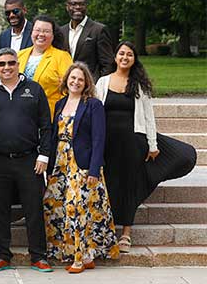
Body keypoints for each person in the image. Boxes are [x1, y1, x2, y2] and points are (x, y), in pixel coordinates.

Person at [96, 41, 196, 254]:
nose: (125, 57)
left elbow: (149, 118)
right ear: (115, 57)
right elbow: (95, 112)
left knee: (130, 184)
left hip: (134, 142)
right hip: (108, 144)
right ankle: (108, 230)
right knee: (110, 183)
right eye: (121, 53)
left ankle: (126, 234)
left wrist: (152, 145)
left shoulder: (139, 85)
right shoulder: (103, 82)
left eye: (129, 55)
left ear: (134, 59)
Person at [0, 48, 53, 273]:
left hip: (29, 160)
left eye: (11, 63)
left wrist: (44, 155)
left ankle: (38, 256)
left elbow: (46, 126)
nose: (7, 68)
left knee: (34, 210)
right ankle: (2, 254)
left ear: (18, 64)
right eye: (1, 64)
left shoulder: (34, 89)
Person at [44, 62, 119, 273]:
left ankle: (78, 259)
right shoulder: (60, 104)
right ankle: (85, 256)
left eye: (80, 79)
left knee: (76, 208)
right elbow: (53, 135)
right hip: (60, 163)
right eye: (72, 78)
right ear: (66, 80)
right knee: (53, 204)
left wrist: (94, 170)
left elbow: (98, 139)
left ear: (86, 82)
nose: (75, 82)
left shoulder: (93, 104)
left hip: (83, 164)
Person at [18, 15, 73, 117]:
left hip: (48, 116)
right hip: (21, 116)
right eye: (37, 30)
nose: (41, 34)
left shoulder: (62, 57)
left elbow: (69, 89)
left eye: (46, 31)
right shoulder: (19, 55)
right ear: (31, 32)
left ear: (53, 35)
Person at [60, 0, 114, 81]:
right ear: (67, 7)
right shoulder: (61, 32)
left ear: (86, 6)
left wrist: (98, 85)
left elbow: (108, 64)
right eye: (74, 4)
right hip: (66, 86)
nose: (78, 7)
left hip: (90, 87)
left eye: (82, 4)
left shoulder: (99, 30)